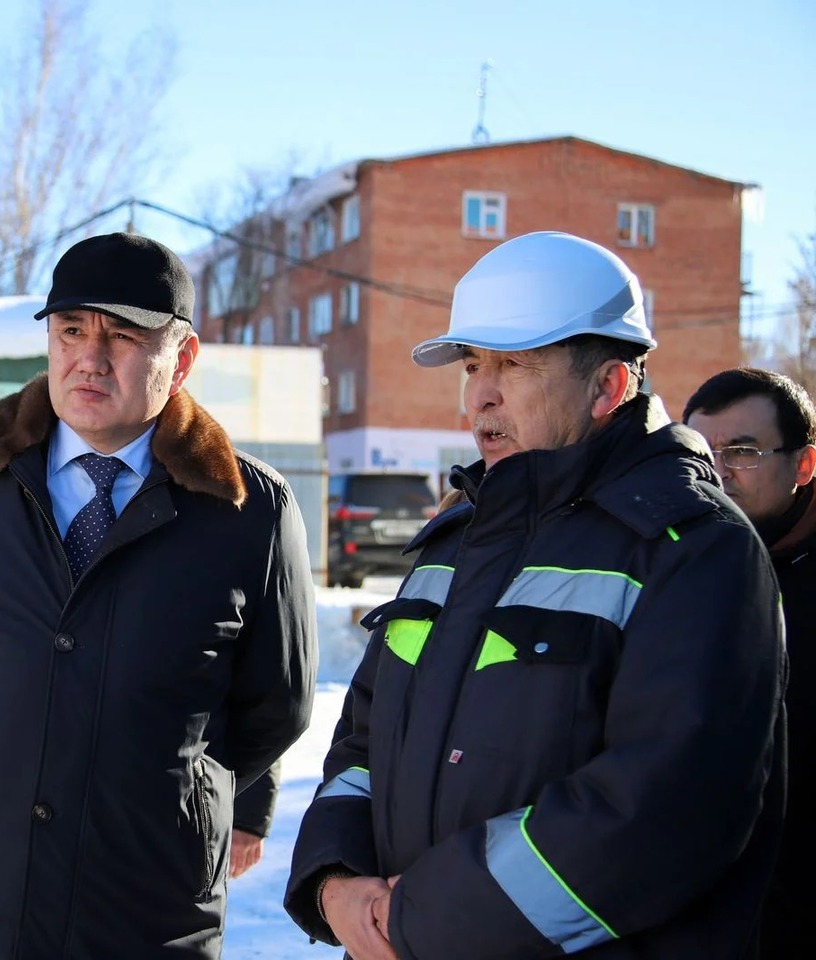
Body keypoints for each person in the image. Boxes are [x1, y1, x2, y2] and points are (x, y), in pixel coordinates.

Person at [285, 232, 784, 959]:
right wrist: (334, 881)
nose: (479, 395)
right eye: (473, 364)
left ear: (607, 387)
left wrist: (416, 922)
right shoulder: (453, 543)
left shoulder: (696, 550)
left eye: (513, 365)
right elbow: (363, 744)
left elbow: (657, 813)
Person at [0, 232, 317, 959]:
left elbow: (277, 704)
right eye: (72, 329)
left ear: (184, 357)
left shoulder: (251, 511)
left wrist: (160, 786)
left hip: (144, 904)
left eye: (124, 336)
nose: (90, 357)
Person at [684, 367, 816, 958]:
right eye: (698, 451)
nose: (717, 472)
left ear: (804, 465)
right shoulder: (675, 566)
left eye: (742, 451)